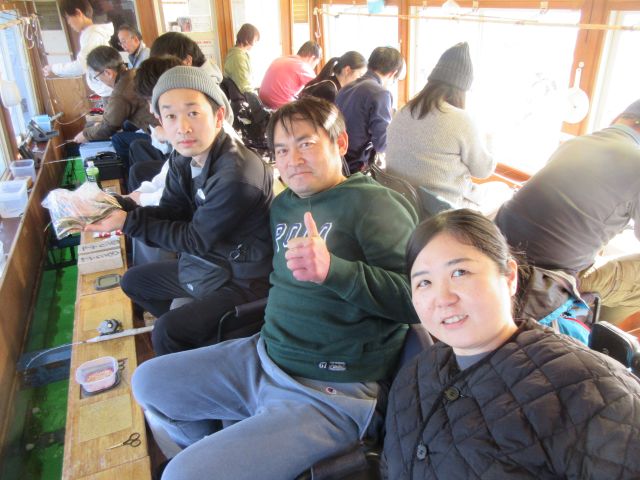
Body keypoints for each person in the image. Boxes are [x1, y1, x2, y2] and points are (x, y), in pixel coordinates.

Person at [131, 96, 419, 479]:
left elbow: (416, 301)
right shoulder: (285, 206)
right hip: (263, 356)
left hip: (330, 389)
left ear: (340, 143)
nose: (292, 159)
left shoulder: (376, 205)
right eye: (281, 150)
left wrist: (335, 271)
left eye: (306, 143)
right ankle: (216, 451)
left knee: (179, 475)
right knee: (148, 383)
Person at [383, 208, 640, 479]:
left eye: (460, 272)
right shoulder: (415, 373)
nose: (443, 298)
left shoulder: (598, 395)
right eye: (424, 282)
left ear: (510, 278)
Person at [85, 66, 273, 355]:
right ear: (160, 120)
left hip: (243, 280)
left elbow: (194, 239)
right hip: (210, 265)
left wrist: (128, 222)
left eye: (193, 113)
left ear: (218, 116)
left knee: (167, 331)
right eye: (171, 116)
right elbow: (172, 210)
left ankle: (199, 344)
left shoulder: (237, 175)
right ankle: (198, 341)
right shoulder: (184, 157)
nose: (182, 127)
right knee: (134, 282)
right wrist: (120, 206)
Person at [495, 99, 640, 323]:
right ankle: (593, 331)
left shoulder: (574, 143)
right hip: (545, 277)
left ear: (617, 119)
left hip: (498, 253)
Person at [386, 42, 508, 213]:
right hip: (443, 214)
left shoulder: (404, 111)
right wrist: (490, 139)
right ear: (462, 90)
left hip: (401, 205)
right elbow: (483, 171)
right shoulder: (461, 120)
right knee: (503, 191)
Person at [335, 47, 404, 174]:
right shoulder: (381, 93)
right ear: (392, 74)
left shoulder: (345, 88)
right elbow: (382, 144)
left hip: (339, 161)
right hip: (356, 168)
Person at [72, 46, 157, 149]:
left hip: (161, 135)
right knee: (126, 125)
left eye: (97, 77)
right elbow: (110, 120)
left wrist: (85, 135)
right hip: (159, 124)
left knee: (118, 139)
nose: (99, 80)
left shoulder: (121, 92)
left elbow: (108, 128)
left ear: (108, 73)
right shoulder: (133, 73)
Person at [150, 32, 233, 125]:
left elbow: (223, 125)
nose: (162, 72)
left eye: (166, 64)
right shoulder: (192, 83)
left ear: (187, 61)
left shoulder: (204, 88)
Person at [43, 0, 113, 98]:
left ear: (78, 13)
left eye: (68, 18)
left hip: (109, 93)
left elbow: (81, 66)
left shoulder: (92, 35)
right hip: (107, 92)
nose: (68, 23)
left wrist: (53, 68)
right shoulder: (91, 34)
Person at [258, 41, 322, 109]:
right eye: (315, 64)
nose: (313, 67)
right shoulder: (303, 66)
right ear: (312, 58)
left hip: (262, 104)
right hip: (281, 108)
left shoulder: (280, 59)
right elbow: (320, 87)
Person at [299, 51, 367, 103]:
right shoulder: (329, 91)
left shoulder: (332, 85)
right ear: (347, 70)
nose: (360, 80)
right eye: (360, 75)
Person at [223, 23, 260, 93]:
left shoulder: (238, 54)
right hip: (244, 96)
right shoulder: (238, 58)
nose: (255, 44)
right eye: (255, 41)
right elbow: (245, 88)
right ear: (246, 40)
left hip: (243, 95)